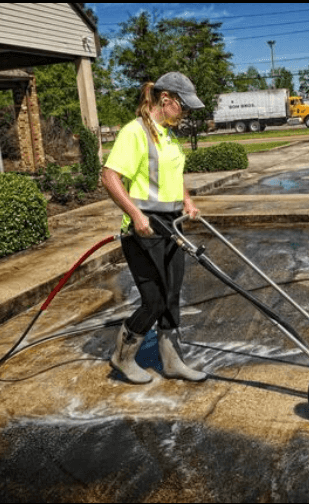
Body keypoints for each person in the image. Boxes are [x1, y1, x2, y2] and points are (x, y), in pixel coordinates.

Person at [101, 72, 206, 384]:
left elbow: (173, 176)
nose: (185, 113)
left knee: (172, 296)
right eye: (183, 106)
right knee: (154, 301)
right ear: (166, 100)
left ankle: (172, 362)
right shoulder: (134, 133)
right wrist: (135, 214)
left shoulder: (169, 135)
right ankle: (122, 357)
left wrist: (186, 200)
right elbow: (109, 176)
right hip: (143, 233)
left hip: (172, 228)